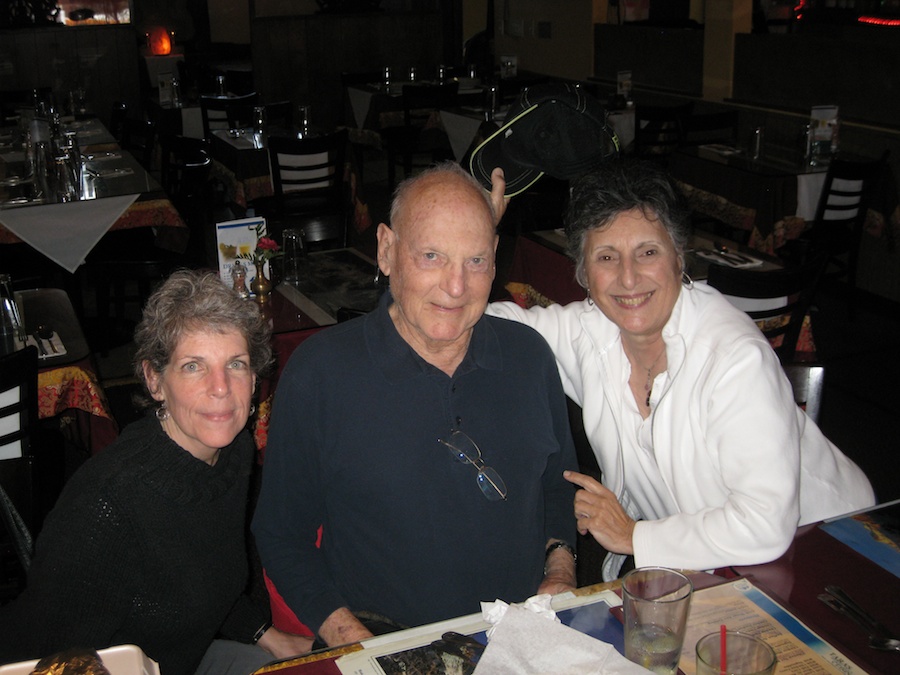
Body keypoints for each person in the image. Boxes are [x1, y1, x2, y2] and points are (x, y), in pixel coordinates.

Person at [486, 160, 875, 580]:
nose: (629, 277)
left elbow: (764, 522)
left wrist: (634, 536)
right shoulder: (589, 331)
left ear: (679, 257)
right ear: (584, 274)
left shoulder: (734, 357)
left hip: (826, 551)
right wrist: (468, 233)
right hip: (710, 566)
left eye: (648, 252)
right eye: (606, 256)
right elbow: (464, 316)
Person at [252, 162, 578, 647]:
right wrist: (360, 645)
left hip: (521, 637)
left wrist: (561, 569)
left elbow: (559, 489)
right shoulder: (319, 374)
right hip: (381, 641)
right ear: (386, 250)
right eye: (431, 256)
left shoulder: (528, 357)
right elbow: (281, 536)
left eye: (475, 261)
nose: (455, 286)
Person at [0, 270, 312, 674]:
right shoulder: (106, 507)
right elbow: (51, 659)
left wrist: (266, 635)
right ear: (154, 380)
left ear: (254, 379)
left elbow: (209, 573)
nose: (221, 388)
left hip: (189, 652)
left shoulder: (234, 451)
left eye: (235, 364)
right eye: (193, 367)